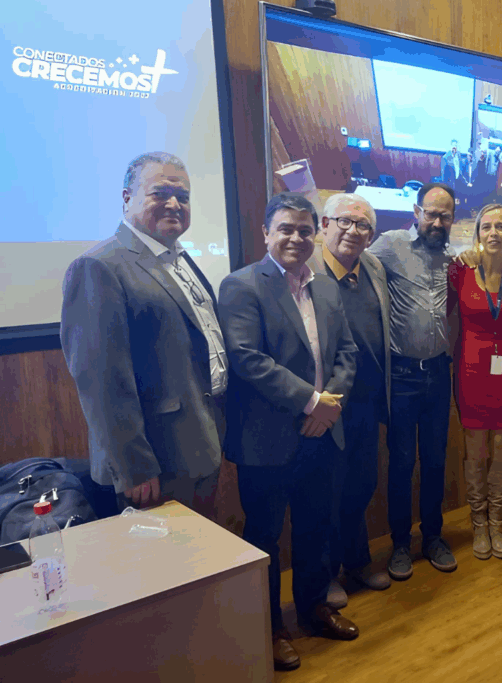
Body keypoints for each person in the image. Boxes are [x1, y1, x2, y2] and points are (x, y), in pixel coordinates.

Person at [219, 193, 360, 671]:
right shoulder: (241, 286)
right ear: (265, 233)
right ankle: (270, 627)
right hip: (268, 439)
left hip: (321, 432)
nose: (297, 239)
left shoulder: (325, 286)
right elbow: (248, 359)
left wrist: (329, 407)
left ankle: (313, 608)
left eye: (305, 230)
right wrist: (312, 401)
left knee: (315, 527)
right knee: (264, 536)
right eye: (286, 229)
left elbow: (347, 353)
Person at [60, 152, 226, 518]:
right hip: (153, 466)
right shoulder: (99, 266)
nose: (173, 204)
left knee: (205, 565)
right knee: (167, 571)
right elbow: (101, 381)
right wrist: (133, 466)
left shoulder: (181, 259)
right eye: (160, 193)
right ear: (126, 198)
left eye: (182, 197)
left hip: (199, 447)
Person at [368, 182, 460, 581]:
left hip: (440, 373)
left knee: (436, 460)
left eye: (445, 215)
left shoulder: (455, 258)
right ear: (416, 211)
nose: (437, 221)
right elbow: (346, 260)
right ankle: (401, 544)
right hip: (402, 375)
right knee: (402, 462)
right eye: (431, 213)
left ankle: (434, 538)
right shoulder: (388, 245)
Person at [309, 193, 393, 608]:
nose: (353, 231)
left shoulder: (373, 267)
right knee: (327, 492)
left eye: (362, 225)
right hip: (325, 405)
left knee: (361, 487)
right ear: (324, 224)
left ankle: (356, 564)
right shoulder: (305, 270)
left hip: (367, 403)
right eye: (344, 221)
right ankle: (324, 577)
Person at [449, 204, 502, 560]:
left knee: (500, 448)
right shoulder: (460, 269)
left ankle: (498, 521)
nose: (493, 233)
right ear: (477, 233)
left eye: (501, 226)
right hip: (469, 365)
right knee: (475, 447)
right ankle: (477, 522)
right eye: (487, 227)